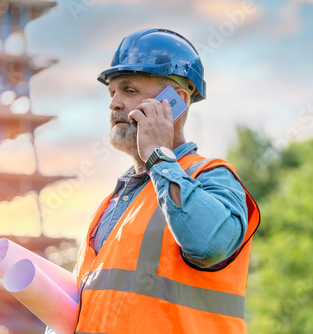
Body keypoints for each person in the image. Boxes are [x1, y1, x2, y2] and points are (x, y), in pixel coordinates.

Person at [49, 28, 260, 334]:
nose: (114, 104)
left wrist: (158, 155)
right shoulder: (113, 202)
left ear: (176, 101)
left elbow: (208, 245)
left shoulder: (212, 176)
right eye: (112, 93)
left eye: (129, 90)